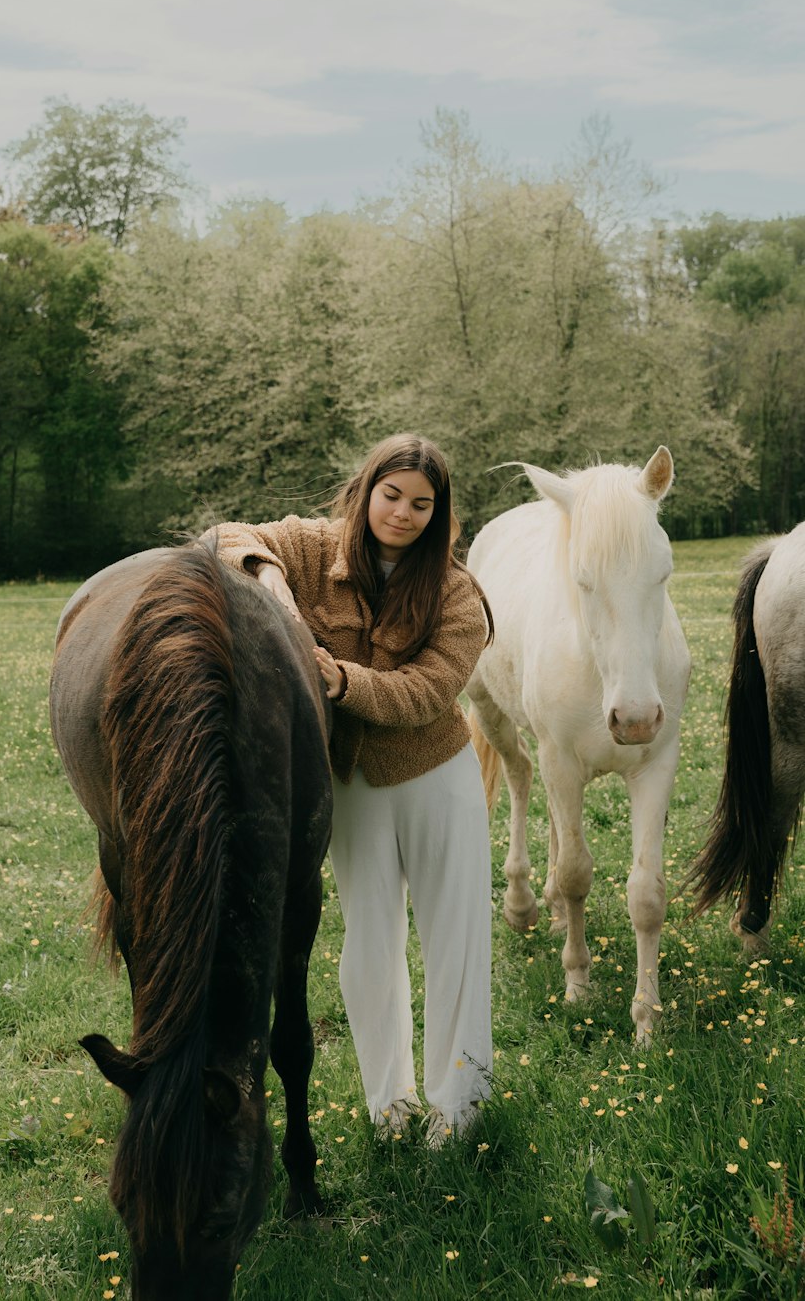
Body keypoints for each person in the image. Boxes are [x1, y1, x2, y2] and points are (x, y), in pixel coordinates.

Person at [211, 432, 494, 1146]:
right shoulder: (314, 548)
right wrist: (270, 579)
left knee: (454, 939)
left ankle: (459, 1106)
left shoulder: (458, 593)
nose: (402, 513)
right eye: (391, 495)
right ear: (368, 490)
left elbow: (431, 691)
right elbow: (225, 535)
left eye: (421, 504)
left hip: (437, 775)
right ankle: (388, 1104)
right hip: (354, 785)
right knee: (368, 943)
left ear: (440, 513)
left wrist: (340, 681)